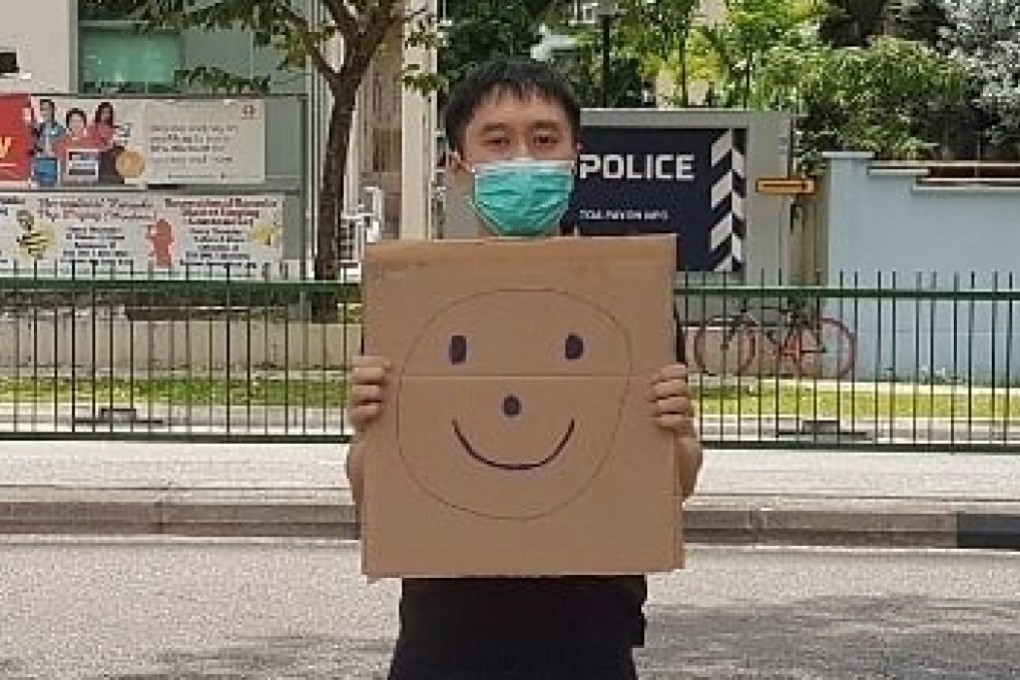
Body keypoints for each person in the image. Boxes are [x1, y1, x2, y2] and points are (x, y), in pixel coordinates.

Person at [346, 57, 703, 680]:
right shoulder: (413, 305)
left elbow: (677, 481)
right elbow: (369, 490)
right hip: (446, 636)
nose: (524, 160)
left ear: (576, 158)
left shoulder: (630, 302)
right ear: (459, 167)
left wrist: (675, 431)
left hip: (589, 634)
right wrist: (368, 428)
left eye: (544, 140)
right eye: (498, 141)